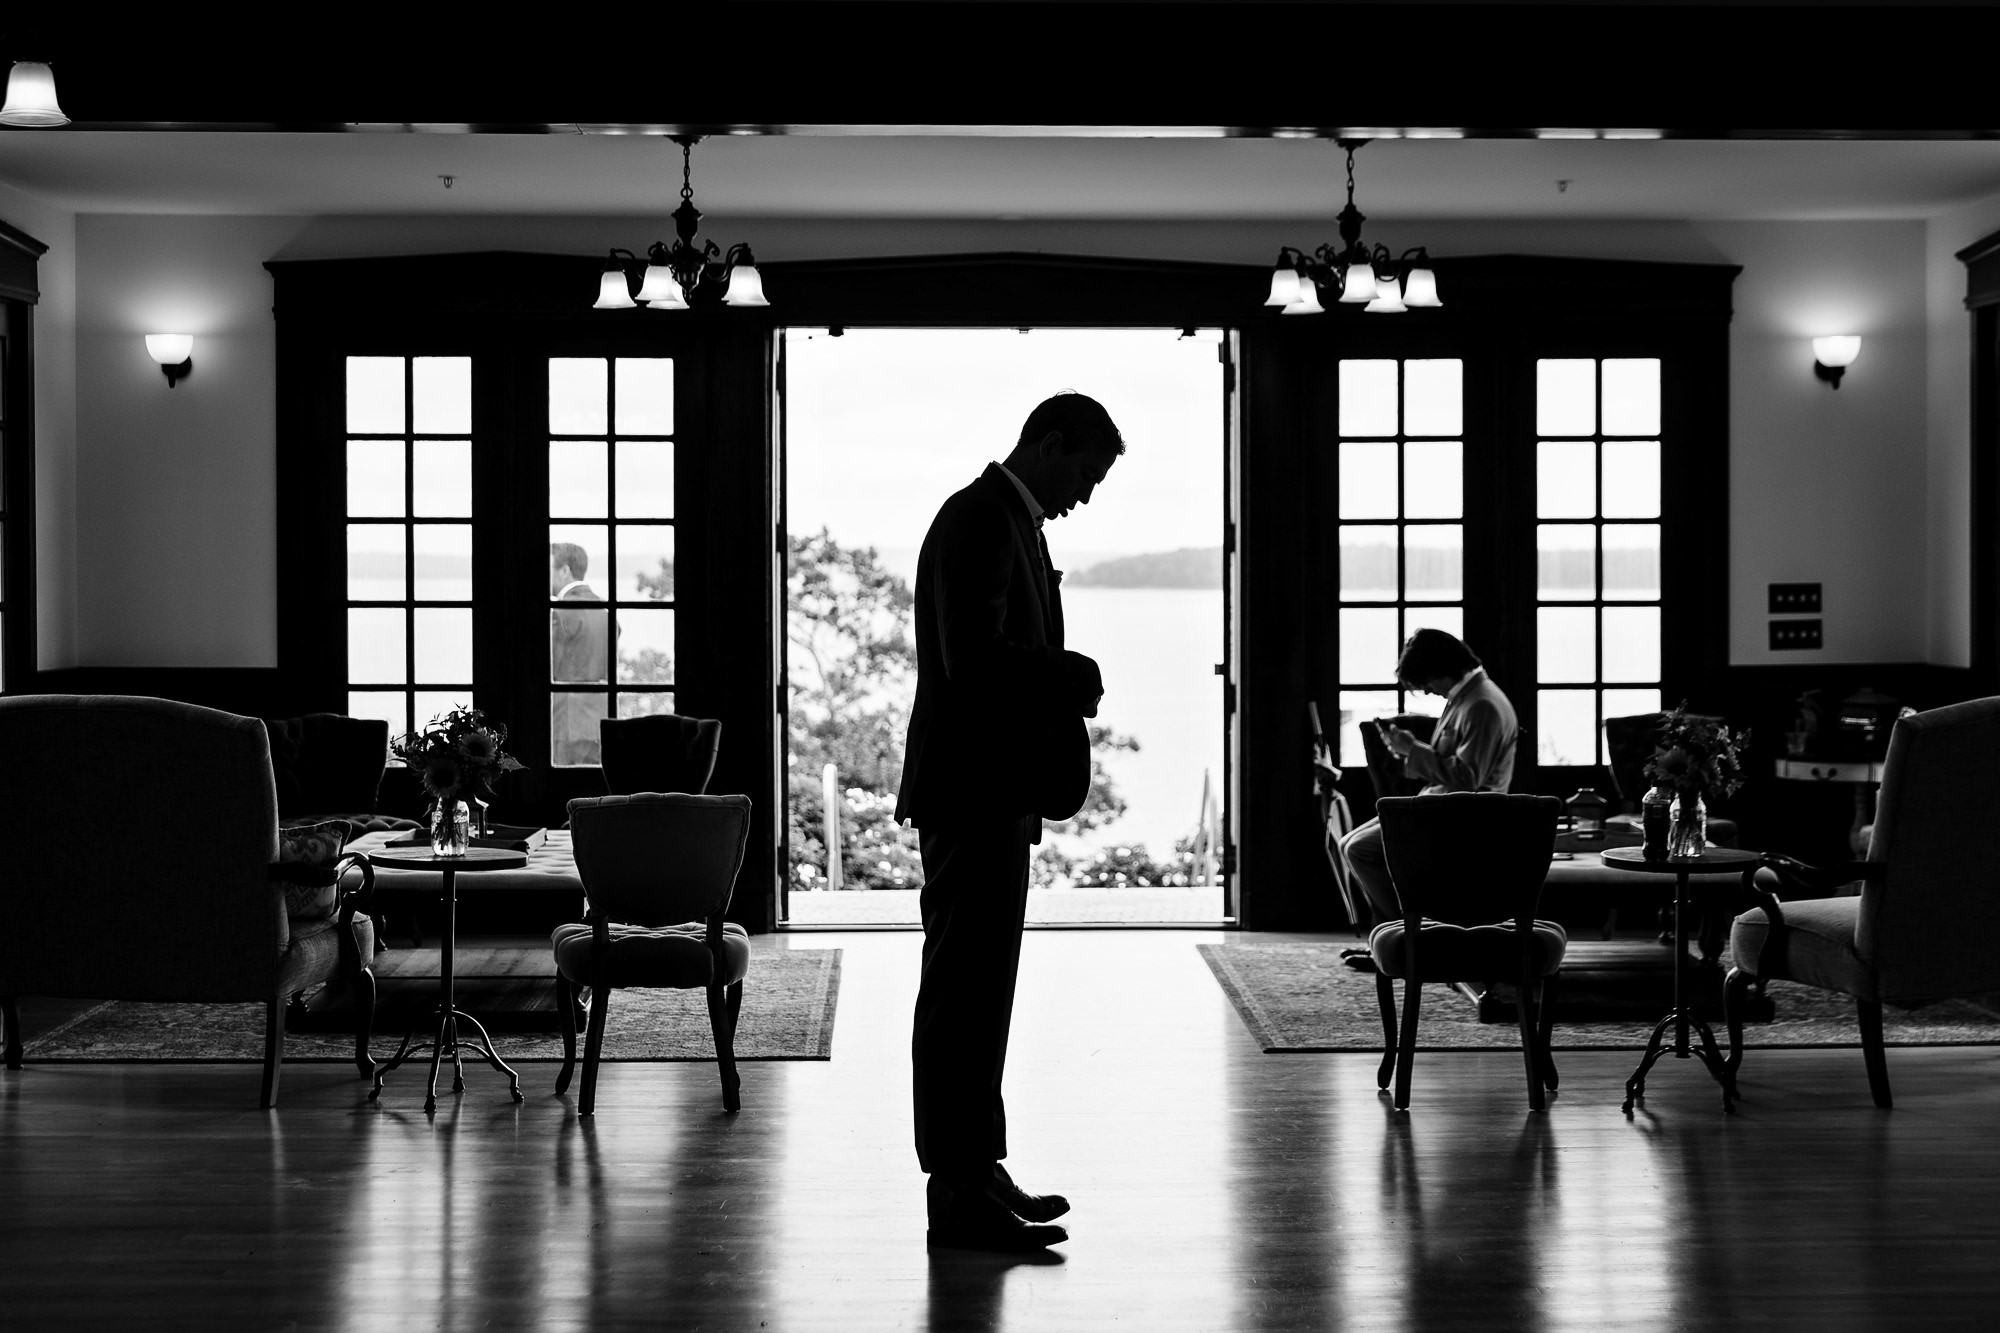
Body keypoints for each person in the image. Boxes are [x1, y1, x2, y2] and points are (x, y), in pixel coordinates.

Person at [896, 391, 1123, 1252]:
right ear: (1049, 443)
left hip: (990, 793)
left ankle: (976, 1168)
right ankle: (954, 1189)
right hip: (970, 792)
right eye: (1086, 473)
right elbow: (969, 658)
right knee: (963, 992)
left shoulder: (1006, 521)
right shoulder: (981, 519)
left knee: (981, 990)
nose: (1085, 495)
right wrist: (1065, 673)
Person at [1338, 628, 1519, 974]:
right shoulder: (1467, 697)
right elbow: (1454, 762)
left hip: (1461, 815)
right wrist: (1411, 750)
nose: (1425, 691)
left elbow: (1469, 778)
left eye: (1425, 681)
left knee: (1360, 850)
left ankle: (1410, 941)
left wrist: (1413, 751)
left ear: (1442, 669)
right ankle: (1390, 941)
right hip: (1440, 805)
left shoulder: (1482, 704)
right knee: (1348, 843)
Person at [550, 542, 610, 766]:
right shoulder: (606, 613)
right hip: (600, 720)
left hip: (566, 723)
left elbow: (549, 667)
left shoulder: (560, 614)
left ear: (564, 571)